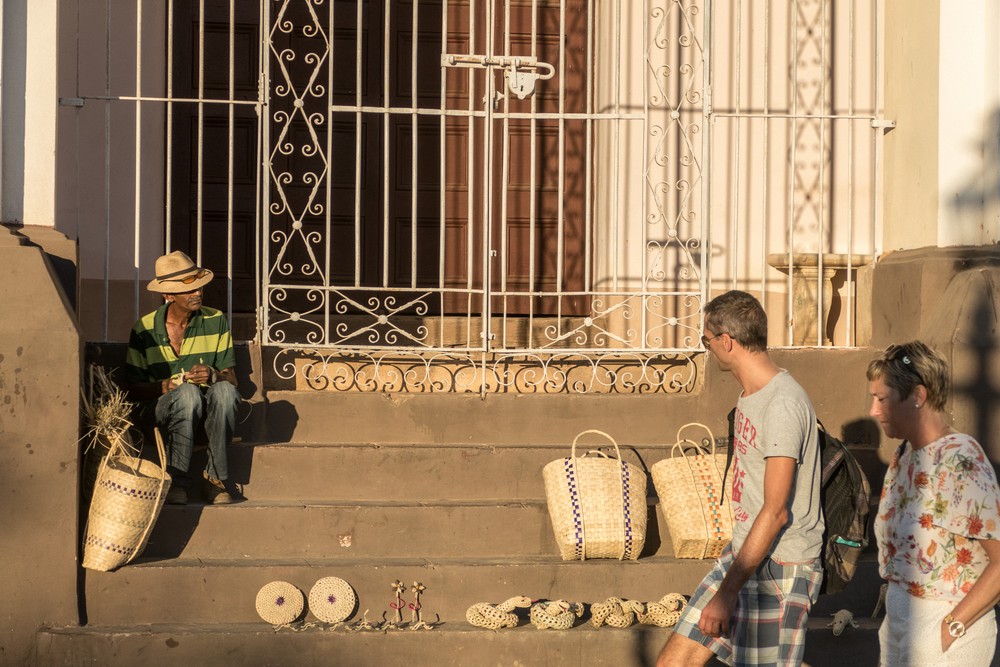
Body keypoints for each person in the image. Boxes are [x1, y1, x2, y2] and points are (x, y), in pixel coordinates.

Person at [657, 290, 825, 667]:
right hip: (745, 553)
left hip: (780, 566)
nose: (708, 348)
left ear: (726, 341)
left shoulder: (783, 403)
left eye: (707, 340)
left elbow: (776, 510)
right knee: (673, 662)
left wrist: (726, 593)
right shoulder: (752, 394)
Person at [868, 341, 1000, 665]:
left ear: (917, 396)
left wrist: (949, 628)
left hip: (946, 626)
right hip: (899, 623)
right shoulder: (904, 454)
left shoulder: (960, 459)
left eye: (882, 399)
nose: (873, 411)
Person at [124, 250, 241, 505]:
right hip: (160, 413)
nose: (197, 293)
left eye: (199, 288)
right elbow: (132, 390)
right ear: (167, 295)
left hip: (206, 413)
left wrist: (213, 374)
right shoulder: (143, 329)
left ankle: (215, 480)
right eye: (188, 290)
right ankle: (177, 480)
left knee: (225, 391)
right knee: (186, 394)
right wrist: (164, 386)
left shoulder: (215, 319)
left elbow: (232, 380)